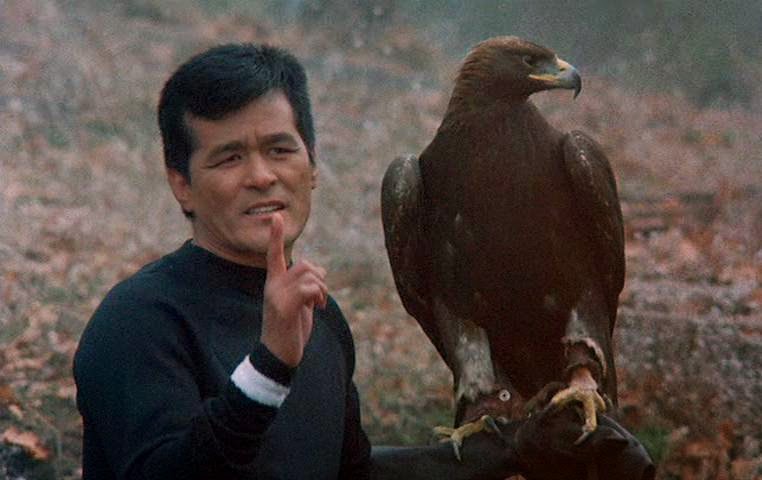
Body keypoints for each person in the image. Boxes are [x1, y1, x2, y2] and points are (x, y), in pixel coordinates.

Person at [73, 42, 652, 480]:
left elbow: (352, 475)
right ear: (181, 184)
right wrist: (269, 368)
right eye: (228, 158)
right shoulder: (139, 321)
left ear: (312, 167)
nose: (262, 175)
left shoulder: (321, 322)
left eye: (279, 149)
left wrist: (509, 452)